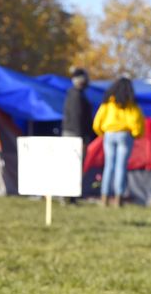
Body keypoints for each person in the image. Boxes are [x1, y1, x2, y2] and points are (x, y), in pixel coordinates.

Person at [92, 77, 145, 207]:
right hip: (124, 135)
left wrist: (102, 133)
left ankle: (104, 198)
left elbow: (97, 121)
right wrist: (136, 134)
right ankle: (118, 198)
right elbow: (137, 122)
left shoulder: (107, 104)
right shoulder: (131, 105)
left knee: (109, 166)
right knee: (121, 167)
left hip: (109, 134)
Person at [62, 68, 95, 195]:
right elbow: (77, 117)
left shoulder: (75, 94)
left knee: (72, 165)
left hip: (74, 134)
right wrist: (81, 138)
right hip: (75, 135)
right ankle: (69, 195)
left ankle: (70, 195)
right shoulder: (76, 96)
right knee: (73, 165)